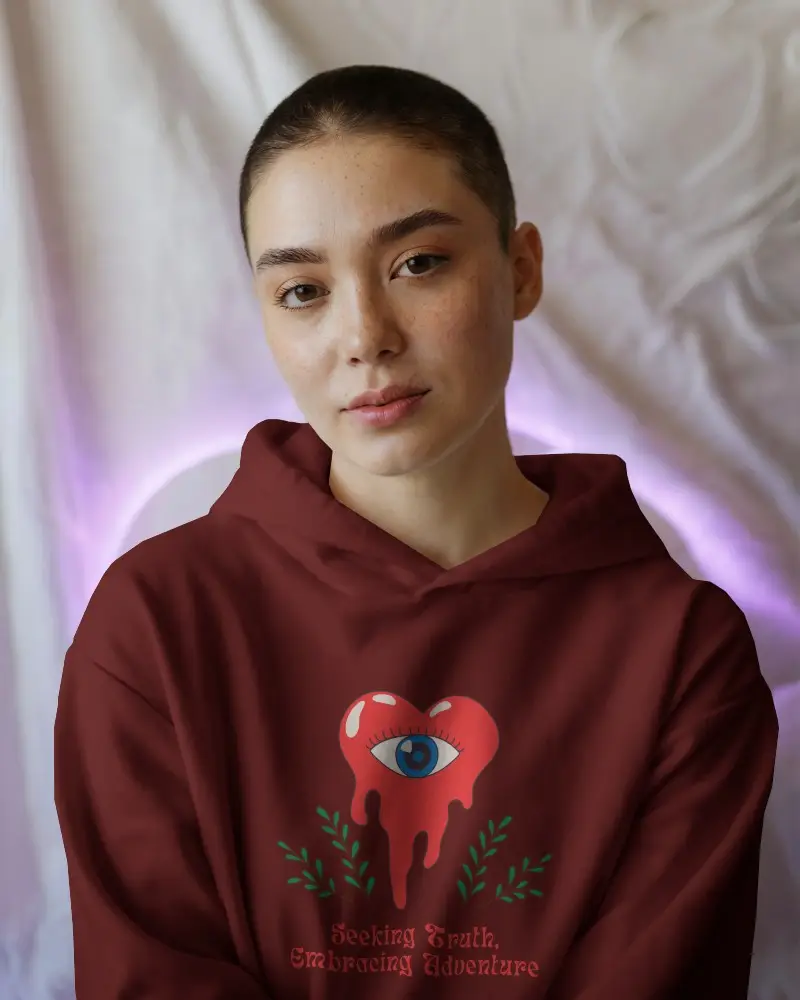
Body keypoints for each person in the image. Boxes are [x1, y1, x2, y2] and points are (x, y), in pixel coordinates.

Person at [54, 65, 778, 999]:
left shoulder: (684, 654)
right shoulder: (153, 624)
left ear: (521, 270)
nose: (366, 336)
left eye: (418, 264)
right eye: (304, 291)